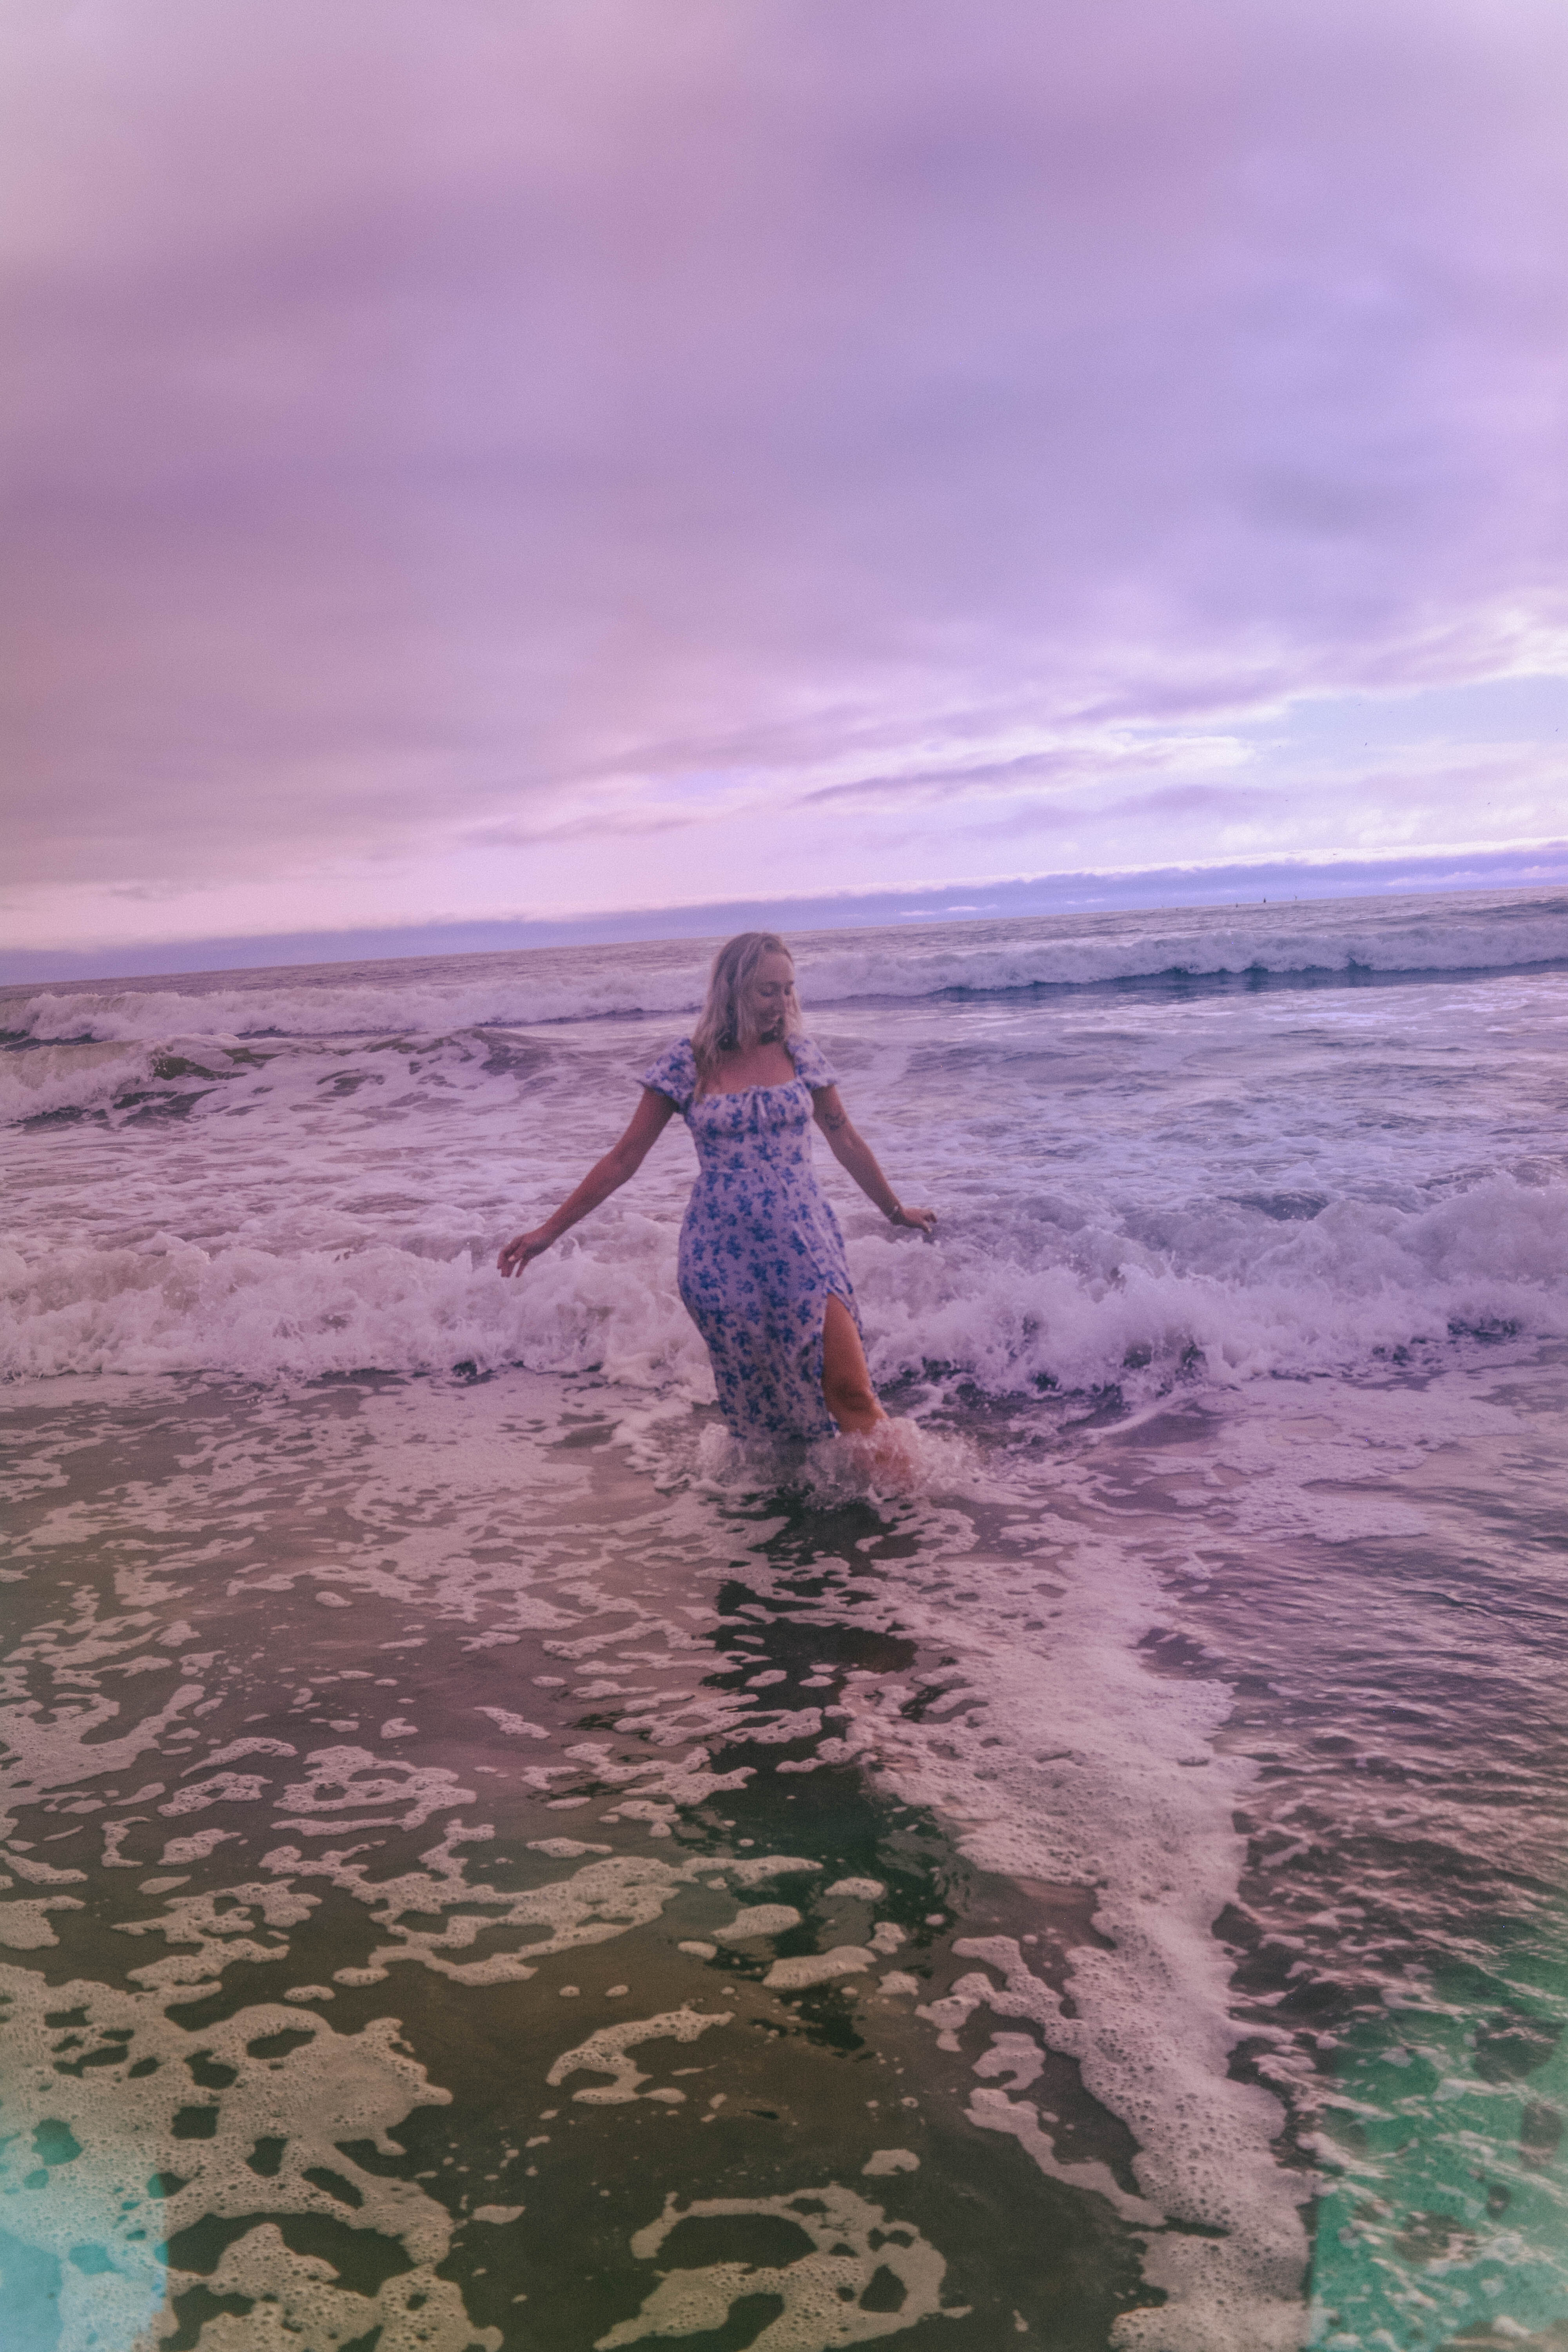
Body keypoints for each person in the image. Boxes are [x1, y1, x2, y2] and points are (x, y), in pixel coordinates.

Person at [497, 932, 935, 1444]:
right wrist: (549, 1231)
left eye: (789, 989)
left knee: (850, 1390)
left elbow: (846, 1139)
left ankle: (906, 1510)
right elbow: (623, 1159)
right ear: (734, 991)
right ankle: (807, 1507)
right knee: (767, 1412)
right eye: (768, 990)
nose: (783, 1003)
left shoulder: (802, 1056)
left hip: (804, 1244)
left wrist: (894, 1210)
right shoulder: (689, 1063)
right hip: (721, 1255)